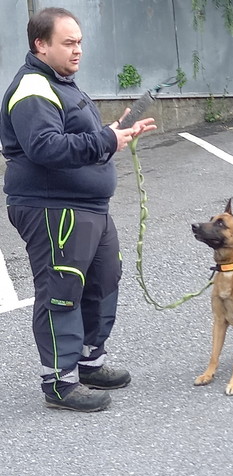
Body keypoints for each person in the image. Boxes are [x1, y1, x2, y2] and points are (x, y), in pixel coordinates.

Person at [0, 7, 156, 412]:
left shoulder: (63, 84)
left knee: (104, 278)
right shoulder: (33, 87)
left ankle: (88, 362)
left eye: (79, 42)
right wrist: (105, 140)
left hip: (89, 207)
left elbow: (83, 137)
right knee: (62, 290)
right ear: (41, 44)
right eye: (68, 43)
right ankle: (59, 383)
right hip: (53, 209)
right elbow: (45, 147)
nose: (78, 50)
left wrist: (117, 133)